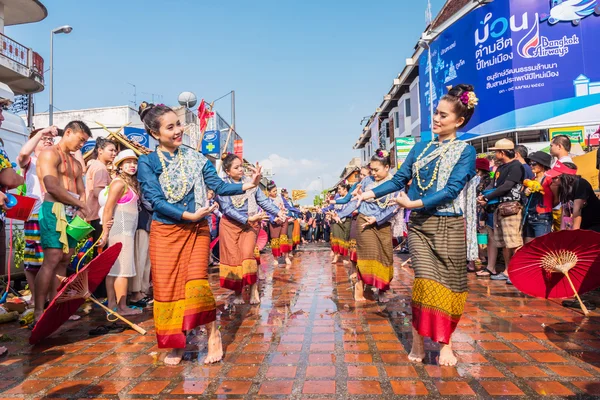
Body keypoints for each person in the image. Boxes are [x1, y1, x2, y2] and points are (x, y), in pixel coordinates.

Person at [356, 84, 478, 366]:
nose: (436, 119)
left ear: (459, 121)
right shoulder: (421, 148)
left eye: (444, 116)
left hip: (448, 225)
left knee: (452, 286)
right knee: (424, 284)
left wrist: (414, 204)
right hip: (422, 228)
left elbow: (452, 189)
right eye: (436, 113)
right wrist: (369, 193)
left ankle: (445, 342)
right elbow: (399, 180)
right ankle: (417, 339)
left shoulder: (465, 151)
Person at [137, 102, 262, 366]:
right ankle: (177, 342)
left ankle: (213, 334)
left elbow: (216, 185)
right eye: (170, 127)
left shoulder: (196, 157)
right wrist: (187, 215)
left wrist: (246, 185)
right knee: (167, 288)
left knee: (196, 283)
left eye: (178, 124)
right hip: (165, 231)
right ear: (155, 133)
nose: (178, 130)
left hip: (196, 230)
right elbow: (154, 199)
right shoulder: (146, 162)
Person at [34, 121, 91, 325]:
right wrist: (80, 204)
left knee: (66, 258)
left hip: (72, 212)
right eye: (80, 139)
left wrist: (82, 208)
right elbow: (52, 186)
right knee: (53, 257)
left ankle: (55, 305)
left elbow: (82, 190)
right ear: (68, 132)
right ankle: (39, 310)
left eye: (85, 142)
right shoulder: (50, 153)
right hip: (54, 209)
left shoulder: (75, 162)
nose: (81, 145)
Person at [217, 154, 284, 304]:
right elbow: (227, 208)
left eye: (241, 166)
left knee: (248, 256)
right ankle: (238, 293)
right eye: (236, 167)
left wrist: (278, 212)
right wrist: (247, 219)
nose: (240, 169)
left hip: (250, 225)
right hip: (230, 226)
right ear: (227, 171)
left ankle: (254, 290)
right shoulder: (222, 186)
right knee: (234, 259)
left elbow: (263, 201)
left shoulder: (251, 183)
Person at [339, 149, 401, 304]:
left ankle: (381, 289)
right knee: (366, 254)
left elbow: (394, 207)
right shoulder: (366, 181)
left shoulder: (395, 184)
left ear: (387, 167)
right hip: (364, 222)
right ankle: (359, 287)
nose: (373, 173)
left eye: (376, 170)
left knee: (384, 257)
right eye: (371, 170)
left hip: (382, 223)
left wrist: (378, 218)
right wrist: (340, 215)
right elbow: (355, 201)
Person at [16, 127, 59, 304]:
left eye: (50, 139)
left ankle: (50, 299)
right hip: (34, 213)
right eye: (44, 139)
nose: (48, 141)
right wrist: (39, 133)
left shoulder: (54, 161)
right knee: (33, 259)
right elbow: (21, 155)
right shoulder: (31, 160)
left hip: (54, 212)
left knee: (54, 257)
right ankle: (35, 298)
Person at [98, 150, 143, 316]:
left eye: (134, 162)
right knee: (122, 270)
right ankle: (122, 307)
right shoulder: (119, 184)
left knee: (114, 269)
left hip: (126, 231)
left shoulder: (128, 182)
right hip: (121, 231)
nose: (132, 165)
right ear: (120, 165)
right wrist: (105, 232)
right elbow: (108, 208)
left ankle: (112, 306)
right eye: (127, 162)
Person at [478, 138, 524, 284]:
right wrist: (484, 196)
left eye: (496, 152)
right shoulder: (501, 168)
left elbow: (507, 186)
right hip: (500, 208)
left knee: (514, 242)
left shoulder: (516, 166)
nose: (495, 154)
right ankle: (507, 270)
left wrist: (487, 197)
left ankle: (516, 272)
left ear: (502, 152)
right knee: (504, 242)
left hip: (511, 208)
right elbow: (495, 184)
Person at [550, 161, 600, 232]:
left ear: (565, 177)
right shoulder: (563, 187)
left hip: (595, 223)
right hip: (583, 224)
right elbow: (565, 212)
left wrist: (574, 235)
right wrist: (562, 233)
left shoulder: (581, 184)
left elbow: (577, 213)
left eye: (555, 177)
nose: (552, 180)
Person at [523, 151, 553, 242]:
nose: (531, 166)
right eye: (530, 163)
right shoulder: (532, 179)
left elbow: (555, 198)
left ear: (542, 165)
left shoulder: (549, 179)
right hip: (530, 215)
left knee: (542, 246)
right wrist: (526, 191)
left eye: (534, 163)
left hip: (542, 216)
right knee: (528, 246)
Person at [266, 181, 292, 265]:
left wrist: (297, 212)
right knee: (275, 240)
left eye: (276, 190)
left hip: (283, 220)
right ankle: (275, 258)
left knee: (284, 238)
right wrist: (273, 219)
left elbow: (287, 206)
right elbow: (267, 212)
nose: (275, 192)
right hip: (274, 222)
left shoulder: (280, 197)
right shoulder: (267, 201)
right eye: (273, 191)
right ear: (269, 192)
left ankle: (286, 257)